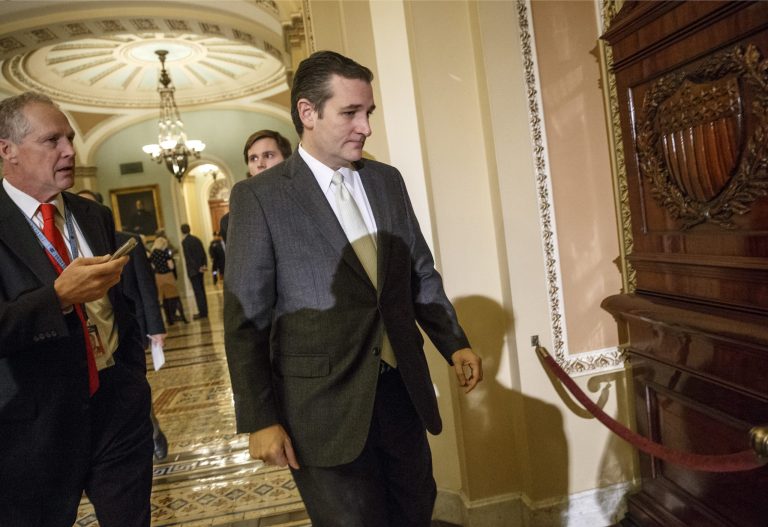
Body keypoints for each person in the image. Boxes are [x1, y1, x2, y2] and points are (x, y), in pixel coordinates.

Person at [223, 51, 482, 526]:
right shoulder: (258, 198)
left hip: (401, 392)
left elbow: (418, 271)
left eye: (369, 113)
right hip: (321, 407)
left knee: (413, 510)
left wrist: (454, 341)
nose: (365, 126)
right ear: (308, 112)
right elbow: (245, 320)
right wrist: (260, 419)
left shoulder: (386, 181)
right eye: (350, 113)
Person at [0, 91, 153, 526]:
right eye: (52, 141)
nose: (70, 150)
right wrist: (58, 298)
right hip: (34, 428)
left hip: (115, 408)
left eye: (69, 137)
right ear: (7, 150)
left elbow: (119, 307)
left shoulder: (93, 215)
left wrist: (131, 379)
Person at [77, 189, 170, 461]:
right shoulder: (66, 248)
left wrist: (156, 327)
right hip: (85, 336)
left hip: (125, 331)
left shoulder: (127, 241)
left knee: (134, 388)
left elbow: (145, 287)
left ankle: (152, 431)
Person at [219, 129, 292, 242]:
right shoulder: (229, 222)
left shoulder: (303, 203)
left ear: (287, 160)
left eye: (268, 155)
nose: (260, 164)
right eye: (253, 158)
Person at [150, 235, 188, 325]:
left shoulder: (152, 254)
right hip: (168, 276)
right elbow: (171, 266)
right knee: (176, 297)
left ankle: (169, 320)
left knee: (164, 299)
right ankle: (183, 318)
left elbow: (152, 266)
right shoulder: (165, 253)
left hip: (158, 277)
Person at [180, 223, 208, 319]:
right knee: (202, 290)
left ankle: (202, 312)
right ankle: (205, 311)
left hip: (193, 271)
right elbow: (203, 253)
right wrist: (203, 265)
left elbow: (189, 258)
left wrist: (196, 268)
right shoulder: (196, 239)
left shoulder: (184, 242)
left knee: (198, 292)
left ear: (182, 231)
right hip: (200, 269)